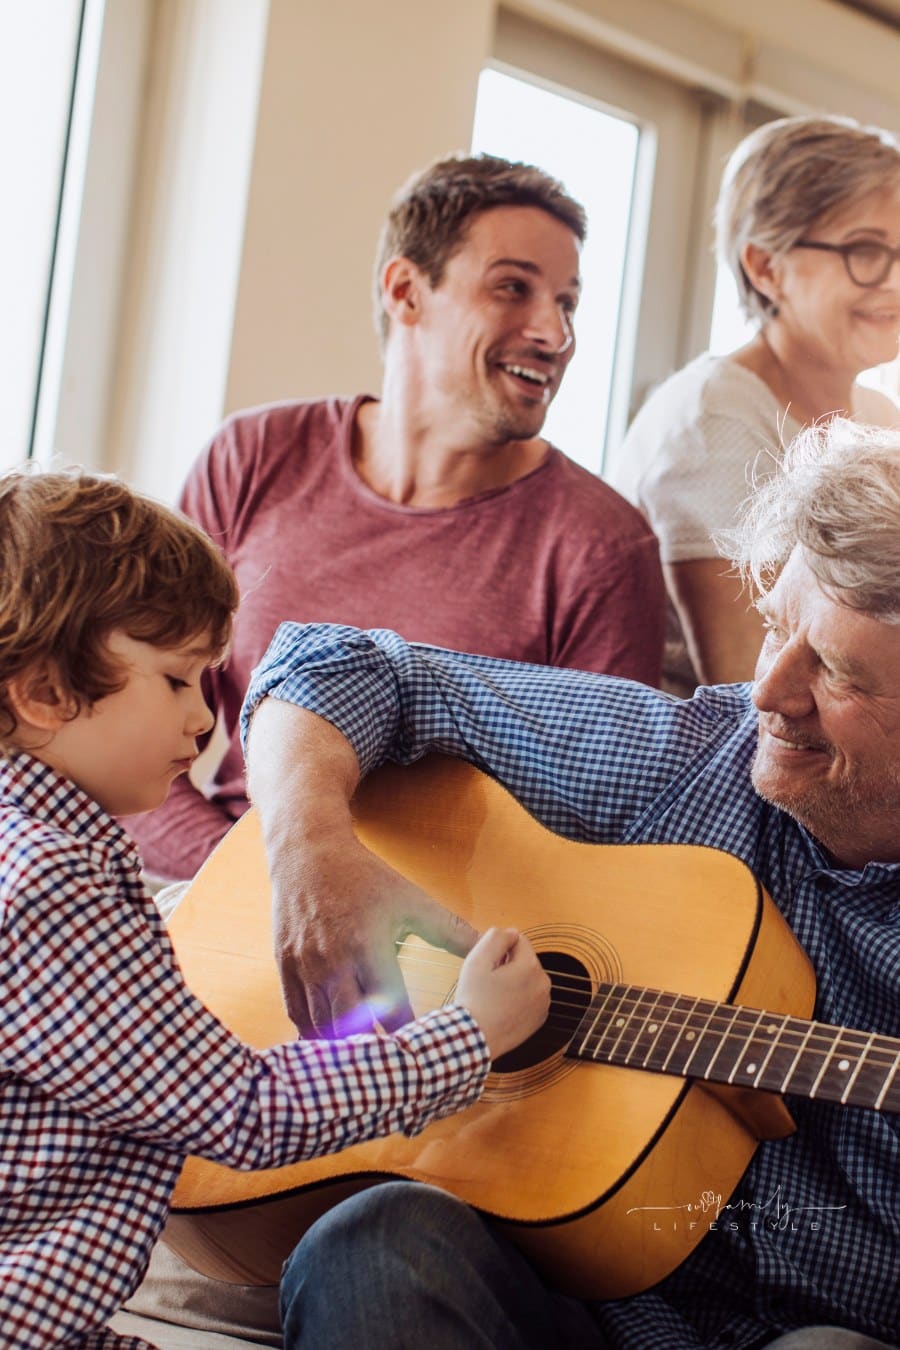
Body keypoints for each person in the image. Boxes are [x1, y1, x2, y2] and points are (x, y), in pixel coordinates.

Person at [238, 417, 900, 1347]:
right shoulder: (687, 760)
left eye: (831, 669)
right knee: (376, 1248)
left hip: (814, 1326)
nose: (769, 691)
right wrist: (312, 854)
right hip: (563, 1303)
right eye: (778, 630)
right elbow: (335, 665)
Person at [0, 468, 550, 1348]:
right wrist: (469, 1035)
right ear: (44, 694)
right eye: (178, 680)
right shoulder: (53, 889)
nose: (206, 722)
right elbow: (241, 1111)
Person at [122, 152, 666, 885]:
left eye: (568, 303)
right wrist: (271, 889)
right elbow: (120, 721)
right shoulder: (252, 458)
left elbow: (602, 829)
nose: (555, 333)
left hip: (440, 954)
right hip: (220, 902)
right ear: (406, 291)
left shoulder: (603, 545)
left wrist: (376, 927)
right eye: (514, 288)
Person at [607, 115, 900, 695]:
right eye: (866, 251)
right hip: (717, 764)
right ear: (766, 267)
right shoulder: (716, 419)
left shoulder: (878, 416)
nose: (895, 280)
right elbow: (758, 688)